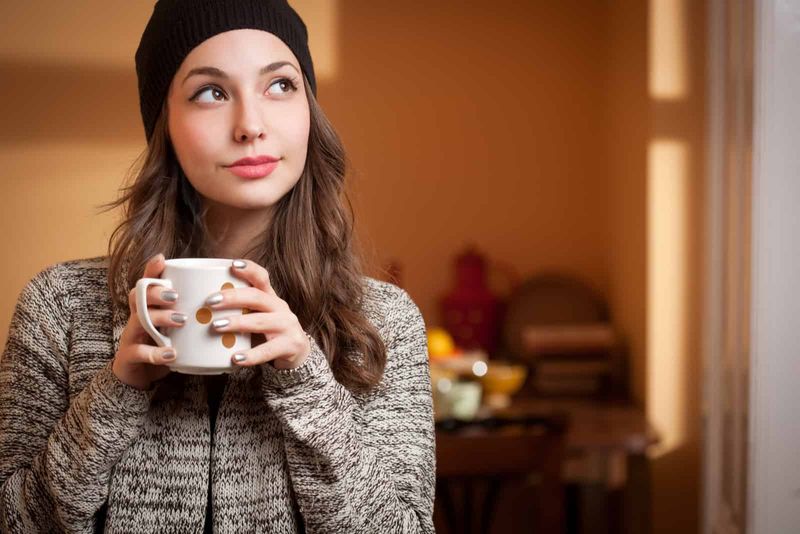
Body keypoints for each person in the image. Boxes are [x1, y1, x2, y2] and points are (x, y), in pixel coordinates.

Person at [0, 1, 435, 532]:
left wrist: (305, 382)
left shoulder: (382, 320)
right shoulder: (61, 307)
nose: (251, 125)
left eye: (280, 85)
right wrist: (117, 392)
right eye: (211, 92)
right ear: (166, 124)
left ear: (309, 110)